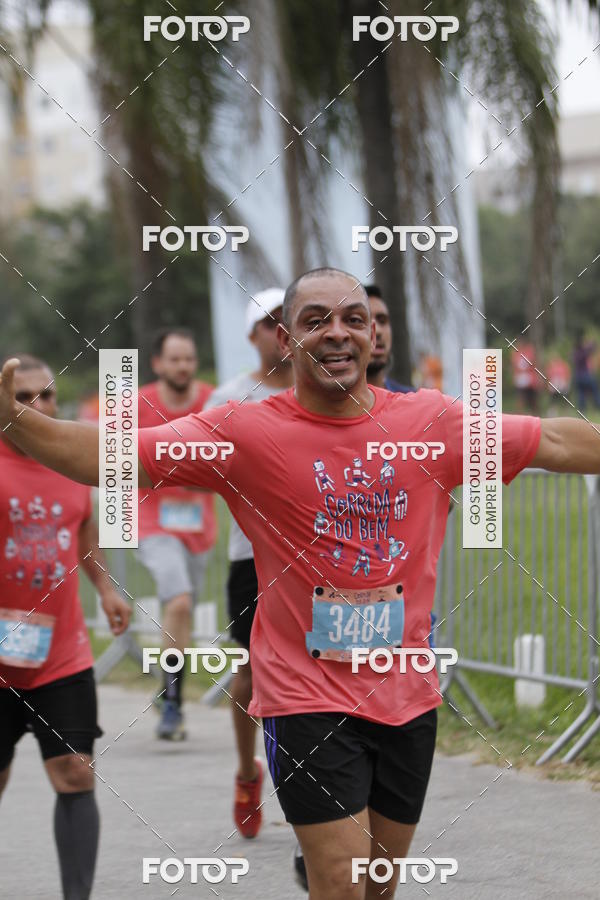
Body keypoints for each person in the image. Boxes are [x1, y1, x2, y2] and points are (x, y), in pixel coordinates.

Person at [2, 268, 599, 900]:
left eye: (352, 319)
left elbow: (558, 440)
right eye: (315, 321)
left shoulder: (432, 424)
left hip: (407, 696)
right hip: (304, 696)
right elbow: (106, 454)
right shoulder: (243, 433)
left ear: (373, 336)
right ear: (286, 339)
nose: (335, 333)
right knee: (339, 884)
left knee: (376, 888)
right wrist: (14, 420)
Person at [0, 354, 131, 900]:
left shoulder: (71, 461)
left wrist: (104, 586)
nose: (37, 407)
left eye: (46, 395)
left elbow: (82, 531)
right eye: (22, 397)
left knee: (76, 774)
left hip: (62, 653)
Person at [205, 288, 293, 839]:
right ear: (252, 334)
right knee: (251, 672)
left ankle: (316, 783)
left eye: (291, 321)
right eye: (271, 323)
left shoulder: (323, 390)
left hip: (317, 560)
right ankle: (246, 772)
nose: (282, 331)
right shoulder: (231, 397)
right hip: (252, 558)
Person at [137, 327, 218, 740]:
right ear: (158, 364)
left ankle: (167, 689)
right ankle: (173, 705)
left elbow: (227, 466)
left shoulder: (212, 402)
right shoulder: (138, 404)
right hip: (152, 523)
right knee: (181, 601)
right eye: (174, 359)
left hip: (198, 528)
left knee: (180, 614)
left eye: (188, 358)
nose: (183, 366)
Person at [363, 284, 415, 393]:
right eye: (364, 321)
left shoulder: (412, 401)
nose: (377, 331)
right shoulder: (327, 406)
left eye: (382, 321)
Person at [572, 331, 600, 411]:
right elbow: (592, 348)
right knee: (595, 389)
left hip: (577, 377)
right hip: (585, 376)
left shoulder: (575, 353)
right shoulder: (583, 352)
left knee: (581, 393)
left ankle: (582, 410)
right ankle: (598, 406)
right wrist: (591, 342)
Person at [511, 340, 540, 414]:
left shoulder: (529, 351)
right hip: (521, 378)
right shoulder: (516, 353)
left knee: (532, 398)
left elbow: (532, 364)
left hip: (529, 378)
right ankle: (520, 413)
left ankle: (534, 413)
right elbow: (515, 365)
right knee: (521, 397)